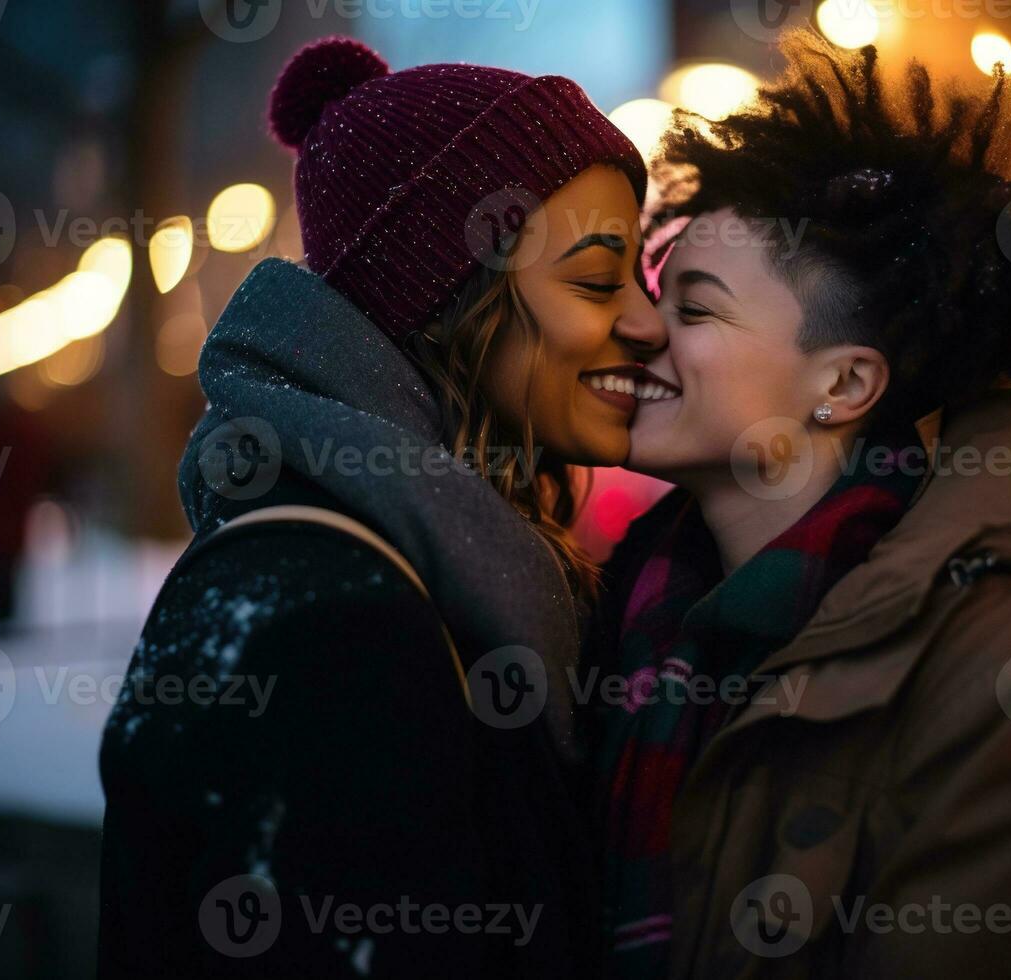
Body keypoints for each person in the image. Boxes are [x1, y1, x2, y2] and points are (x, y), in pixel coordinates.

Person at [585, 33, 1011, 978]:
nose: (637, 329)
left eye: (696, 308)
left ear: (842, 383)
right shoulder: (638, 616)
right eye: (650, 293)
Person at [97, 37, 665, 978]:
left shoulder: (410, 567)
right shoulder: (330, 628)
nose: (646, 321)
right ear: (448, 297)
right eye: (600, 280)